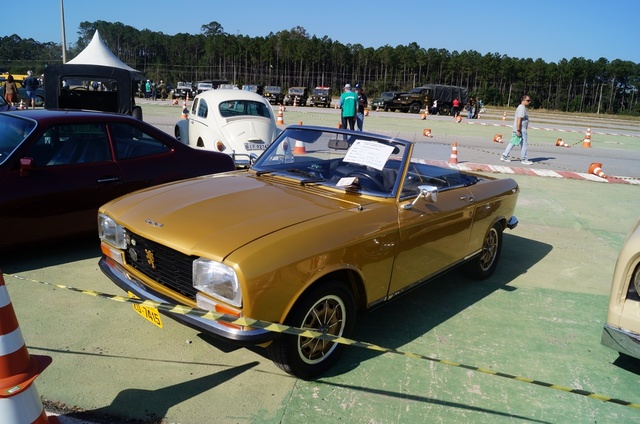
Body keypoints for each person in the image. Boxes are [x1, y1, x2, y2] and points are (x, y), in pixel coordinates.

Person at [501, 95, 533, 165]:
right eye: (528, 100)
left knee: (512, 143)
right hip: (521, 130)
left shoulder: (521, 107)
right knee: (524, 145)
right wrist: (518, 130)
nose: (529, 102)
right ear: (523, 100)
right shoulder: (522, 108)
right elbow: (519, 119)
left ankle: (504, 156)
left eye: (529, 100)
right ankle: (524, 159)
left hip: (519, 129)